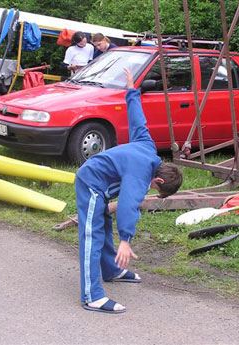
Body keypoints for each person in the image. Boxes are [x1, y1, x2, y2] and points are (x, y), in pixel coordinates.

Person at [75, 68, 183, 314]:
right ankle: (92, 296)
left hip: (99, 187)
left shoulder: (148, 147)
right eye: (155, 189)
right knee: (91, 235)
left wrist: (132, 90)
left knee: (101, 227)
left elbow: (138, 120)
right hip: (91, 183)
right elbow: (127, 204)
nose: (151, 189)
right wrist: (125, 239)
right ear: (158, 180)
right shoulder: (141, 173)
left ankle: (111, 270)